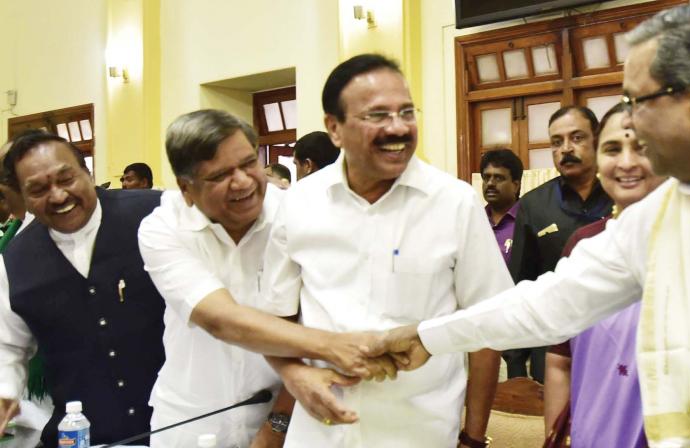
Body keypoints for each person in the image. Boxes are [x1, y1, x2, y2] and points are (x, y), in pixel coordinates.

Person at [374, 4, 690, 447]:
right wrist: (428, 334)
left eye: (638, 102)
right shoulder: (667, 215)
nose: (628, 121)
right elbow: (554, 301)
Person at [261, 54, 512, 448]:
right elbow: (276, 320)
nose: (397, 127)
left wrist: (474, 436)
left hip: (420, 433)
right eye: (377, 115)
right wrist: (293, 375)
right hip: (320, 434)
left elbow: (488, 326)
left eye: (407, 112)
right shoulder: (299, 204)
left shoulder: (454, 203)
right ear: (334, 128)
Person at [138, 109, 394, 447]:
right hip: (189, 419)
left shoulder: (299, 216)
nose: (243, 181)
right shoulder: (163, 227)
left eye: (248, 164)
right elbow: (222, 320)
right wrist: (334, 348)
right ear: (186, 188)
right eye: (220, 175)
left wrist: (278, 422)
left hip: (286, 414)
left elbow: (314, 318)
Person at [0, 130, 166, 446]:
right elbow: (7, 346)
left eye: (66, 179)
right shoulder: (13, 261)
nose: (58, 196)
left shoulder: (157, 213)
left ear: (87, 173)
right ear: (22, 195)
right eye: (38, 189)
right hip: (82, 435)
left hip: (178, 428)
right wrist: (4, 393)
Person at [543, 102, 666, 448]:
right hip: (595, 431)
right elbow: (559, 357)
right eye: (612, 149)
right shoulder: (584, 246)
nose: (626, 162)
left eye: (641, 147)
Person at [504, 106, 613, 381]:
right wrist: (517, 366)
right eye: (556, 142)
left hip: (615, 343)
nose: (566, 149)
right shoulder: (533, 205)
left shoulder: (621, 195)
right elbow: (521, 286)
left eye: (576, 138)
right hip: (553, 348)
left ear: (597, 140)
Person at [480, 149, 523, 267]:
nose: (490, 183)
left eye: (498, 178)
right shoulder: (475, 220)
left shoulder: (528, 220)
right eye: (486, 177)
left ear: (515, 185)